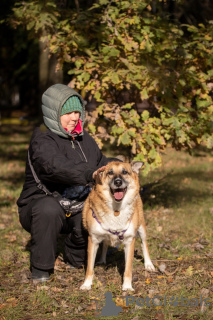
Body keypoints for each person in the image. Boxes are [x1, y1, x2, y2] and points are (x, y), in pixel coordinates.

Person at [17, 84, 119, 282]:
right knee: (48, 208)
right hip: (42, 206)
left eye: (76, 112)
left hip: (77, 205)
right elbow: (57, 167)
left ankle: (74, 255)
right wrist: (90, 173)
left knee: (92, 215)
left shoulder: (84, 138)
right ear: (53, 113)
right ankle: (40, 269)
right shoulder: (42, 140)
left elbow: (101, 161)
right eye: (68, 113)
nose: (74, 117)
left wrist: (119, 165)